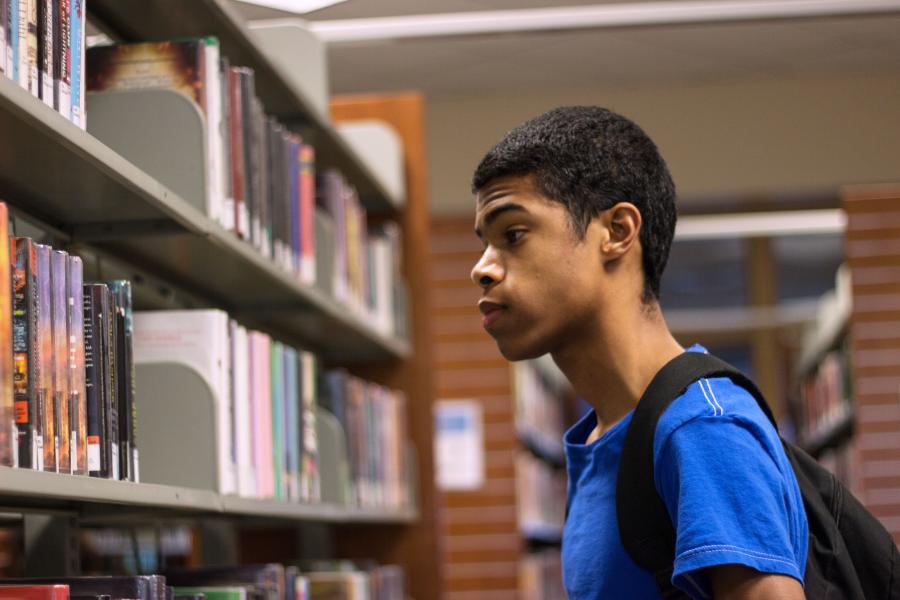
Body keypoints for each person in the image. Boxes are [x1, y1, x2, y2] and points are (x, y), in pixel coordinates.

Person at [469, 106, 808, 599]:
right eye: (484, 244)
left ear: (617, 232)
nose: (482, 268)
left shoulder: (701, 428)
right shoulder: (600, 438)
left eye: (513, 235)